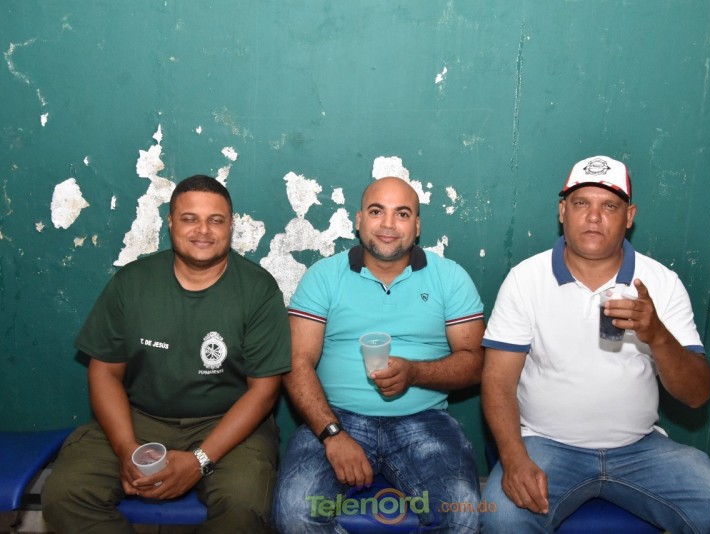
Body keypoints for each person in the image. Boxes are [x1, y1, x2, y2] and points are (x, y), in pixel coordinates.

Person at [480, 156, 710, 533]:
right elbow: (498, 381)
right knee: (502, 518)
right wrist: (514, 457)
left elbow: (696, 395)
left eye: (610, 206)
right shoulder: (526, 279)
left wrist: (657, 335)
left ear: (629, 216)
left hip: (640, 449)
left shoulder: (660, 282)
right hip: (546, 445)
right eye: (581, 203)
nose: (593, 216)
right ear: (563, 211)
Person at [42, 175, 291, 533]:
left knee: (243, 504)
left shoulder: (258, 289)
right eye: (190, 218)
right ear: (170, 222)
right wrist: (126, 447)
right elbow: (104, 372)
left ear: (231, 226)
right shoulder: (132, 282)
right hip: (139, 417)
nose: (203, 230)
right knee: (65, 493)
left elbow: (263, 392)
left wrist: (199, 460)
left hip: (227, 422)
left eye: (216, 220)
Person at [272, 177, 485, 533]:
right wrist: (333, 435)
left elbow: (476, 361)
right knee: (294, 512)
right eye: (376, 212)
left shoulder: (450, 277)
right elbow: (296, 362)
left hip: (425, 419)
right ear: (359, 220)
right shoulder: (324, 276)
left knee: (462, 513)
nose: (388, 224)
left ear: (417, 226)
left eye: (402, 214)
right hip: (336, 417)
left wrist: (415, 373)